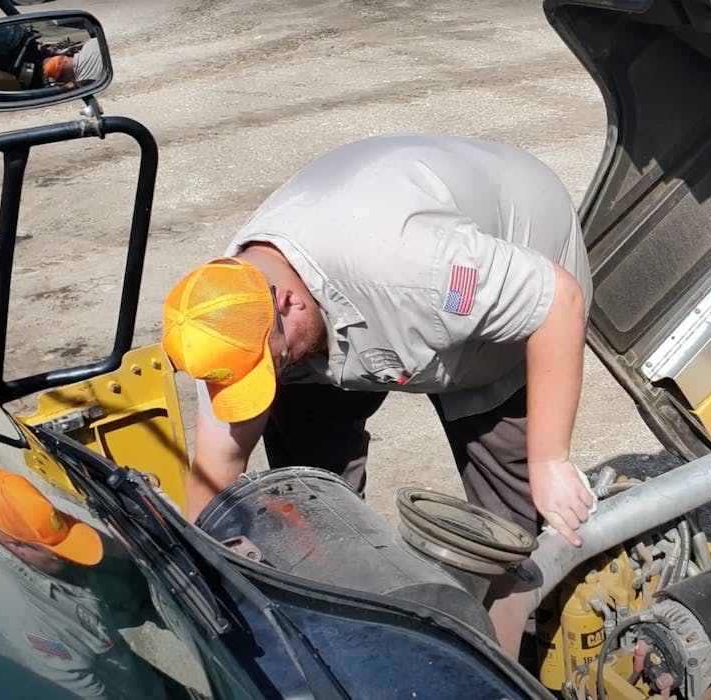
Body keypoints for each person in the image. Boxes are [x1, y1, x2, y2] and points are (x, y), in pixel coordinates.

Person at [161, 133, 596, 549]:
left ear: (289, 302)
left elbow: (556, 300)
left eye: (274, 358)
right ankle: (341, 560)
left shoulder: (411, 264)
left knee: (513, 516)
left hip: (514, 243)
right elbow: (216, 472)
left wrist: (549, 462)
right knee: (293, 419)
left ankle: (520, 604)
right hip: (346, 296)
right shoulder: (222, 317)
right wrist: (202, 563)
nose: (272, 368)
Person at [0, 463, 187, 700]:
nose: (71, 559)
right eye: (59, 555)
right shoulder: (26, 614)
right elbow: (77, 686)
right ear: (16, 546)